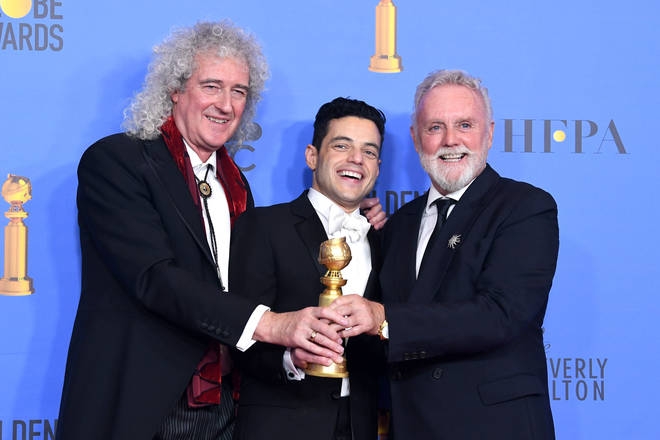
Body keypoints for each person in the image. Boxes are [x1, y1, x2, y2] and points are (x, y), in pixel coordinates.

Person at [56, 21, 385, 440]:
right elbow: (154, 278)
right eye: (212, 86)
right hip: (142, 404)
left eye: (239, 92)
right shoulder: (117, 161)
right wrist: (271, 325)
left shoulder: (235, 184)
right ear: (175, 89)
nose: (226, 105)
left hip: (223, 407)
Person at [331, 69, 559, 439]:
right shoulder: (399, 225)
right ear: (415, 137)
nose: (450, 140)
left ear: (489, 133)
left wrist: (385, 319)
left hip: (496, 429)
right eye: (435, 127)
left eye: (465, 125)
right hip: (411, 427)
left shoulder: (525, 207)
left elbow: (500, 315)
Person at [229, 97, 387, 440]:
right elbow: (235, 330)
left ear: (377, 167)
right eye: (342, 145)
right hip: (280, 427)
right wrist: (290, 358)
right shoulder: (264, 226)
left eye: (369, 151)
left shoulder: (385, 241)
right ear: (312, 156)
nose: (356, 159)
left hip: (360, 426)